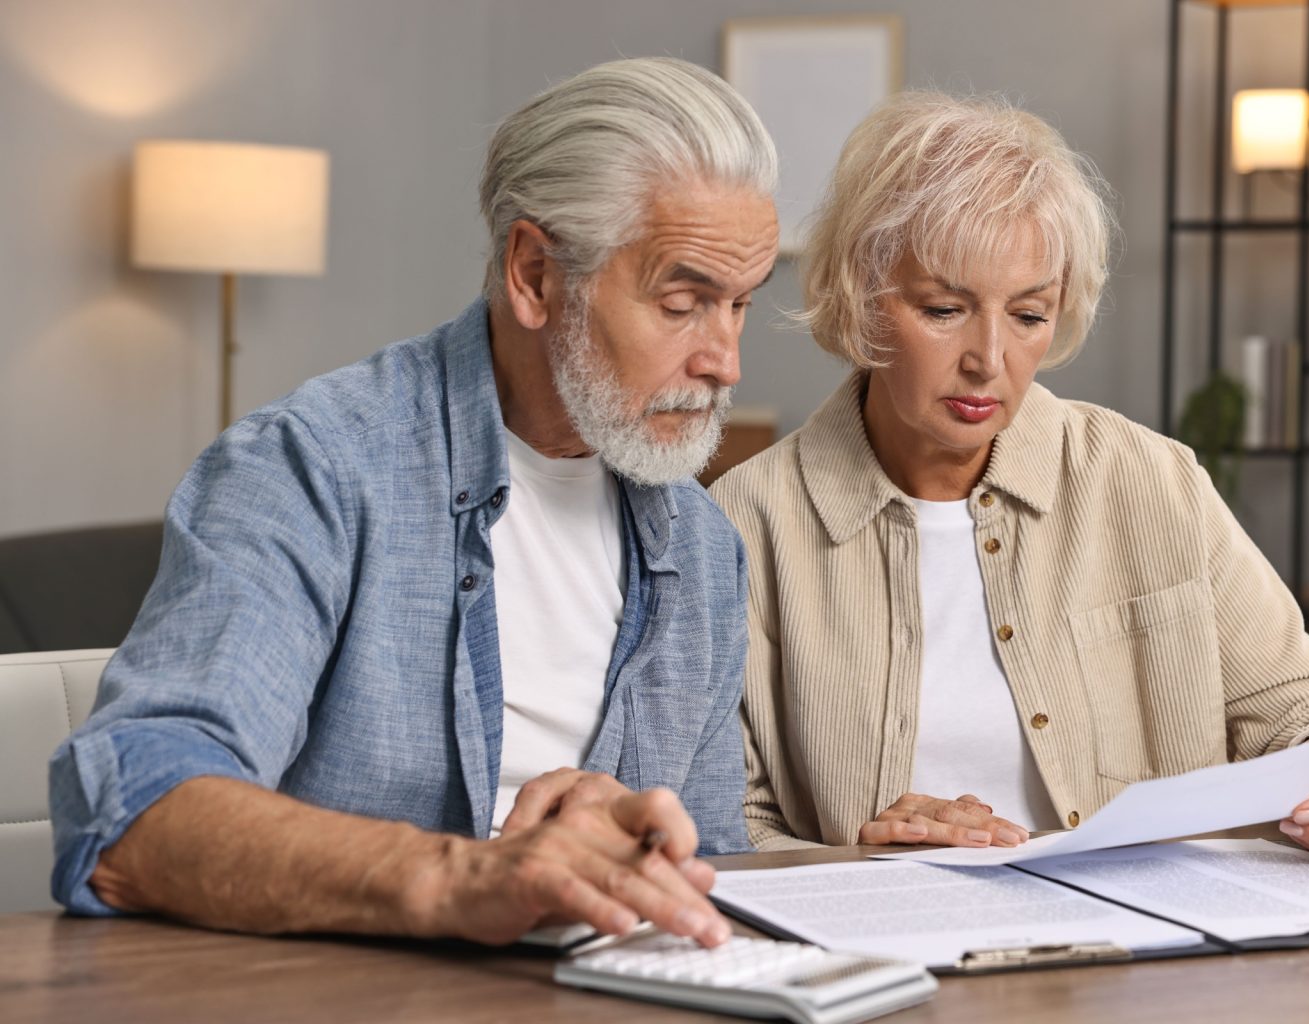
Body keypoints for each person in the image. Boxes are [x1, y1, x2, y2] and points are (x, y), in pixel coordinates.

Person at [49, 57, 779, 947]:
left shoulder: (701, 544)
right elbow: (135, 808)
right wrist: (464, 877)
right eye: (683, 302)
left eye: (739, 305)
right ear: (535, 274)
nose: (725, 363)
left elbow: (714, 876)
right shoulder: (312, 467)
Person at [709, 91, 1309, 866]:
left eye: (1028, 315)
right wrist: (859, 856)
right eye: (945, 309)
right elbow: (728, 824)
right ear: (862, 298)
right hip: (895, 961)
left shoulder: (1150, 482)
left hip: (1148, 959)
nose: (989, 359)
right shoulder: (746, 525)